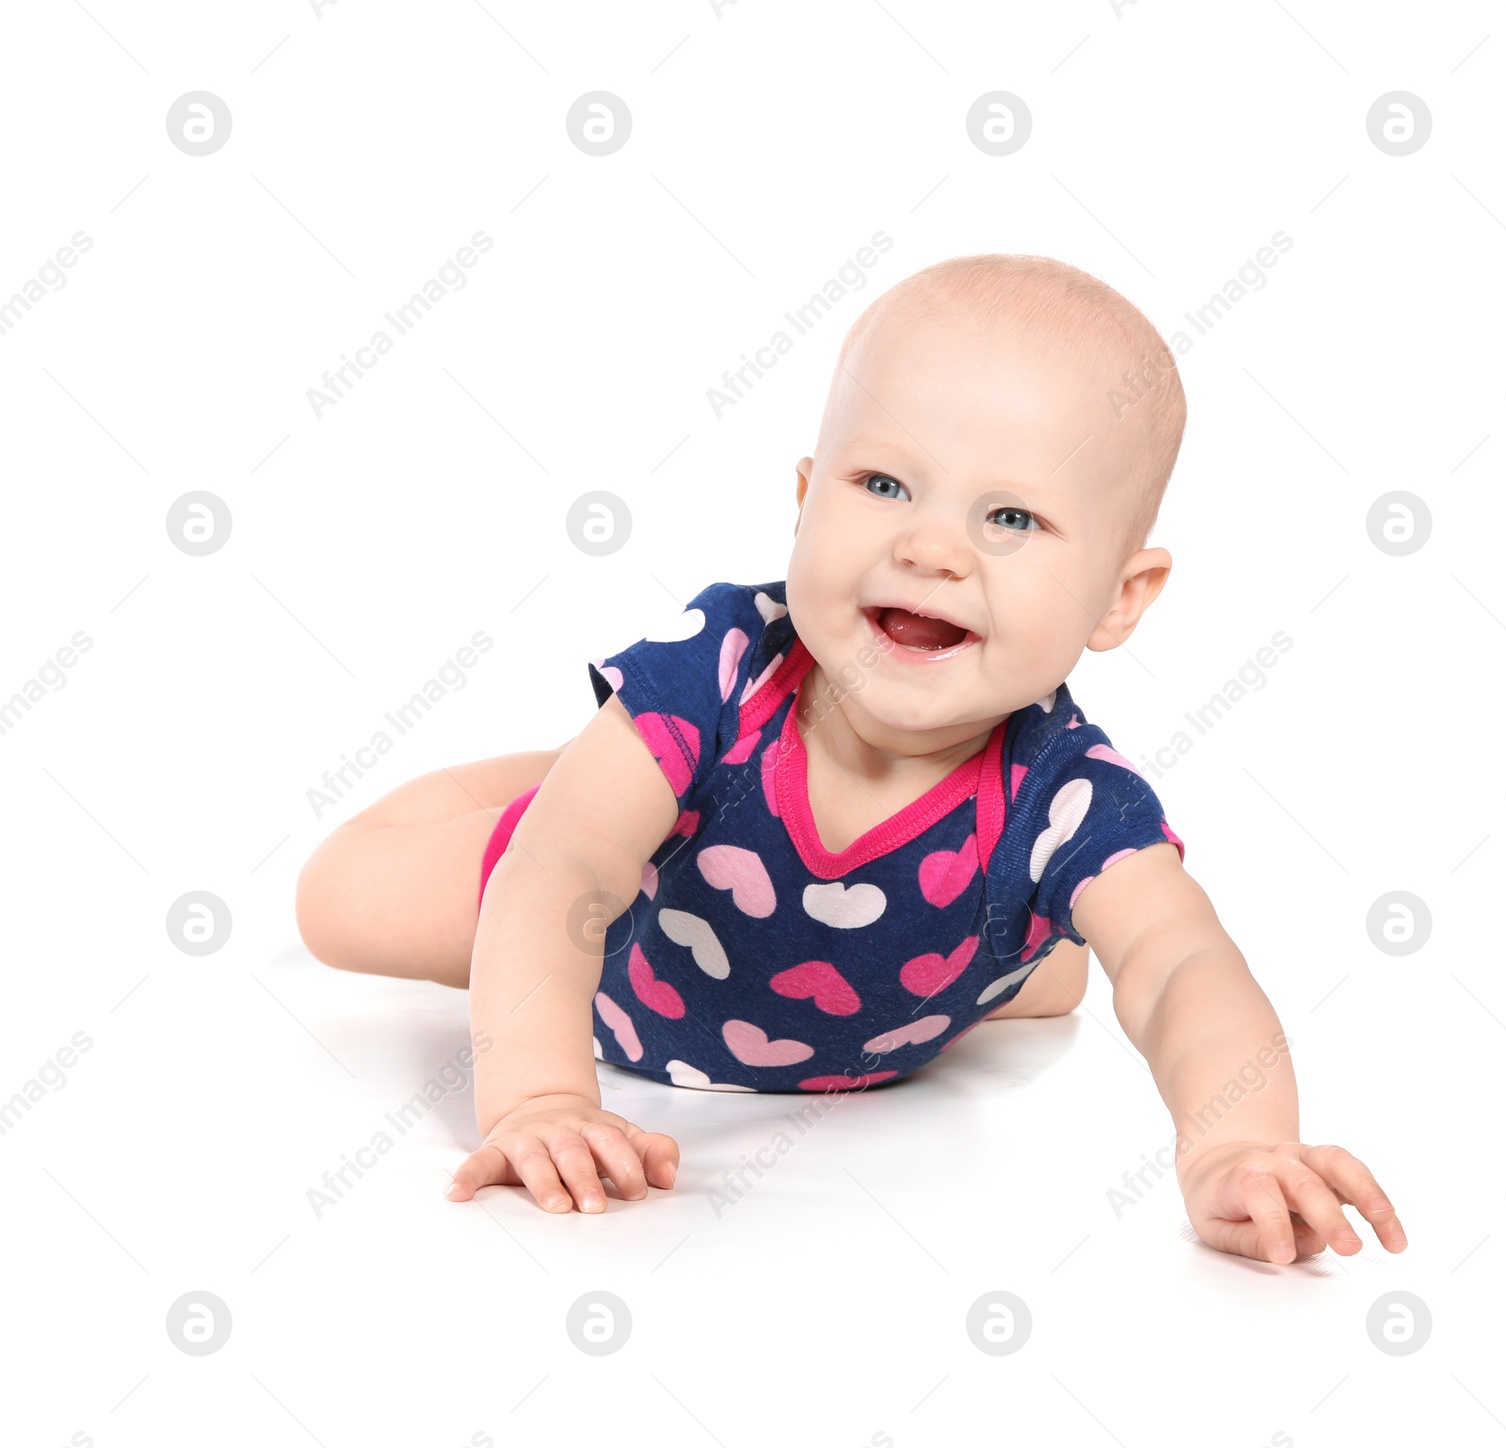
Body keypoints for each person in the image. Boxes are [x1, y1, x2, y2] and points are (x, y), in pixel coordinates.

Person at [295, 253, 1406, 1266]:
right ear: (803, 497)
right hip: (617, 947)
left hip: (896, 990)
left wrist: (1240, 1145)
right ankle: (595, 766)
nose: (929, 546)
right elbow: (562, 877)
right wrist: (538, 1094)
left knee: (1069, 967)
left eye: (1010, 516)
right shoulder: (723, 669)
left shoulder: (1070, 798)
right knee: (339, 896)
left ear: (1121, 596)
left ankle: (649, 788)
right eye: (882, 484)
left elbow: (1177, 968)